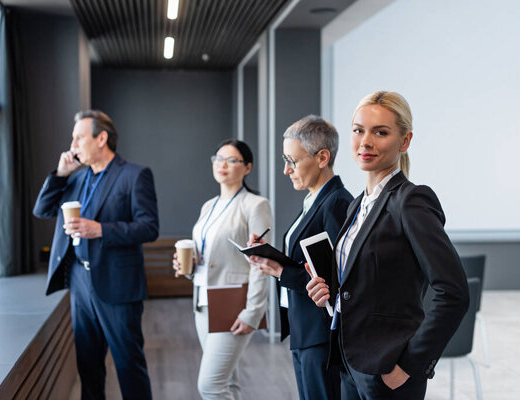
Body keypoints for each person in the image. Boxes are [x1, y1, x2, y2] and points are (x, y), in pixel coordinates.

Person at [306, 91, 470, 400]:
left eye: (380, 132)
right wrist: (327, 291)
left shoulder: (411, 201)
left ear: (404, 141)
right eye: (359, 130)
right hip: (350, 360)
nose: (365, 141)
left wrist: (410, 365)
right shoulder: (357, 205)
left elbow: (454, 292)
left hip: (388, 370)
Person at [33, 110, 158, 399]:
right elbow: (42, 209)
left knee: (129, 365)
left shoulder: (134, 175)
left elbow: (149, 228)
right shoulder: (75, 179)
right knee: (88, 366)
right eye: (72, 138)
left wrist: (100, 229)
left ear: (101, 138)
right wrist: (60, 174)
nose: (72, 144)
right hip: (79, 280)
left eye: (78, 137)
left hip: (118, 284)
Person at [247, 115, 352, 400]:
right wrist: (272, 259)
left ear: (322, 157)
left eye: (292, 161)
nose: (286, 170)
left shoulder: (337, 203)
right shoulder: (313, 200)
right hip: (305, 330)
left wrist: (282, 272)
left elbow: (341, 279)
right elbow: (312, 262)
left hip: (321, 335)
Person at [174, 139, 272, 400]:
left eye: (231, 160)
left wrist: (253, 312)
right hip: (203, 301)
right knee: (226, 383)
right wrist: (186, 267)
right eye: (218, 158)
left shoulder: (255, 205)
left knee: (210, 386)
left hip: (233, 303)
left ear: (247, 167)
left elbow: (261, 264)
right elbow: (204, 255)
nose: (222, 165)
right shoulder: (209, 206)